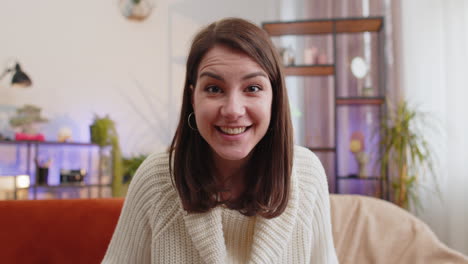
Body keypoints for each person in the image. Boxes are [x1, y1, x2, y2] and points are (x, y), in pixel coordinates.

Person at [102, 17, 338, 264]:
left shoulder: (306, 173)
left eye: (253, 88)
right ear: (193, 98)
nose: (233, 110)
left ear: (274, 98)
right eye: (214, 89)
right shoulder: (156, 179)